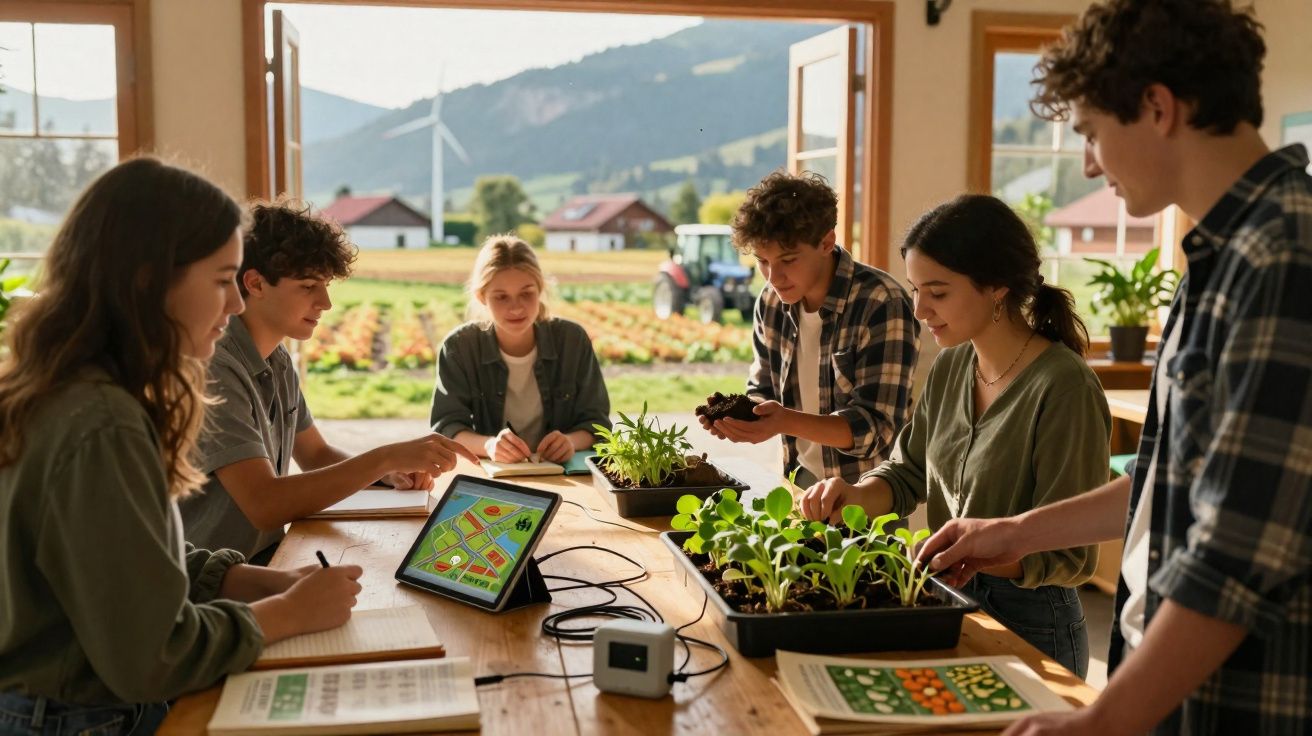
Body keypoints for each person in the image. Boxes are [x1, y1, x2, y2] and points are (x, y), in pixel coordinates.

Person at [916, 1, 1312, 733]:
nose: (1091, 161)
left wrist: (1103, 721)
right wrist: (1015, 531)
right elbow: (1171, 485)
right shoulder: (1224, 257)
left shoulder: (1283, 254)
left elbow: (1237, 548)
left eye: (1093, 133)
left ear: (1158, 107)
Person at [0, 159, 363, 735]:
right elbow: (152, 655)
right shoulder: (103, 423)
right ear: (149, 279)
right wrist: (286, 615)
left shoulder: (72, 390)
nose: (237, 305)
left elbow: (133, 560)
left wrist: (257, 582)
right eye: (223, 281)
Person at [800, 194, 1110, 677]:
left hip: (1033, 623)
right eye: (915, 289)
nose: (920, 309)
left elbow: (1072, 557)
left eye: (938, 292)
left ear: (997, 288)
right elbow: (908, 473)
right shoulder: (952, 364)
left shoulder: (1064, 386)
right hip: (948, 600)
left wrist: (979, 552)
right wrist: (854, 495)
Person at [181, 200, 476, 563]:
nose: (326, 302)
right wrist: (384, 457)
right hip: (212, 585)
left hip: (263, 560)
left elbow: (316, 455)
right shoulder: (215, 368)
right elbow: (265, 504)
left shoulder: (276, 357)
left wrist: (388, 473)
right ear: (255, 283)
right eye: (308, 286)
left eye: (325, 285)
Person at [700, 171, 919, 488]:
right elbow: (764, 389)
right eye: (763, 261)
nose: (774, 277)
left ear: (827, 242)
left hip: (867, 498)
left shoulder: (881, 303)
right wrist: (740, 416)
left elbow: (875, 430)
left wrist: (783, 421)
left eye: (788, 259)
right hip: (798, 480)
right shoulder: (771, 302)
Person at [431, 235, 610, 462]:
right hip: (495, 476)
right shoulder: (459, 347)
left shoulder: (572, 340)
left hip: (560, 473)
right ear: (481, 296)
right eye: (501, 297)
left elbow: (597, 423)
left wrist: (570, 442)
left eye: (526, 293)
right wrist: (489, 445)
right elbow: (446, 427)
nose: (516, 307)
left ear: (540, 288)